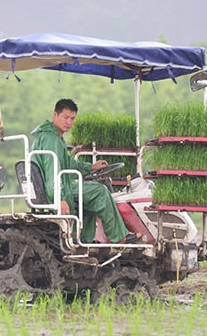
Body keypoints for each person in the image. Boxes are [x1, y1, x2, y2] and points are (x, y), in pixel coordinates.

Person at [30, 99, 141, 244]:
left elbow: (67, 162)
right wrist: (61, 197)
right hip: (54, 190)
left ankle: (84, 239)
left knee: (89, 199)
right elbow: (53, 170)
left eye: (72, 118)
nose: (69, 122)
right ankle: (119, 237)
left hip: (52, 187)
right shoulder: (52, 139)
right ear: (55, 115)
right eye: (65, 117)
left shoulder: (49, 136)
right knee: (99, 191)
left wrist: (91, 167)